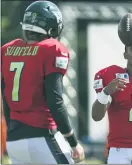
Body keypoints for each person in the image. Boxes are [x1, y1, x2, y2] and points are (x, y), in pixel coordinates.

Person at [1, 1, 84, 164]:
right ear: (53, 27)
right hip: (42, 136)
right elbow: (56, 101)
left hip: (14, 141)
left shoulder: (6, 50)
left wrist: (11, 128)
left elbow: (5, 97)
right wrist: (72, 141)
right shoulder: (52, 49)